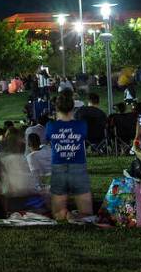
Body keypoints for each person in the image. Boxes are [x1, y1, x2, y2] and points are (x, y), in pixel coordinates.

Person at [45, 92, 91, 220]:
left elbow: (48, 139)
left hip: (58, 168)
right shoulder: (82, 125)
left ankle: (66, 214)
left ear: (56, 108)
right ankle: (74, 215)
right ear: (72, 108)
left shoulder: (50, 126)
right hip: (78, 168)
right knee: (87, 214)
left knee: (58, 215)